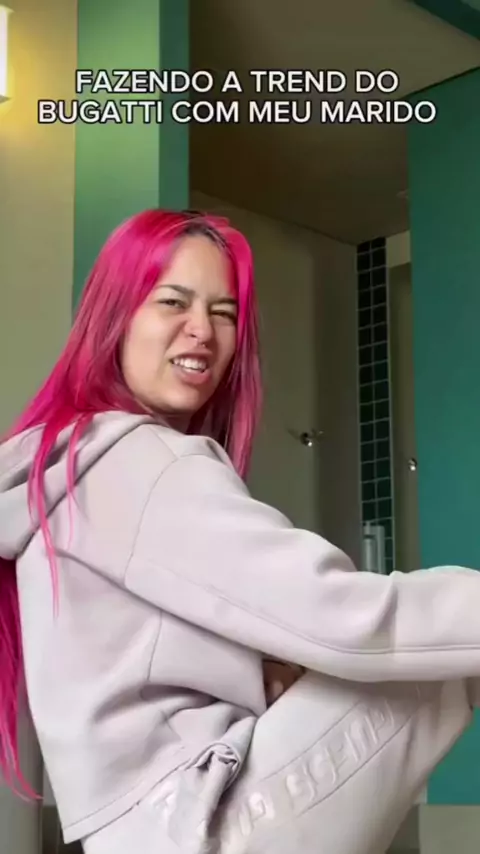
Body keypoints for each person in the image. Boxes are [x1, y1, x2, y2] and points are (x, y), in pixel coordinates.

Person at [0, 208, 480, 854]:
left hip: (141, 834)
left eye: (223, 312)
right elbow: (340, 617)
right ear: (116, 316)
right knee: (440, 651)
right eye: (173, 302)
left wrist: (273, 668)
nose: (202, 330)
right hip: (205, 823)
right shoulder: (142, 462)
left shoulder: (66, 467)